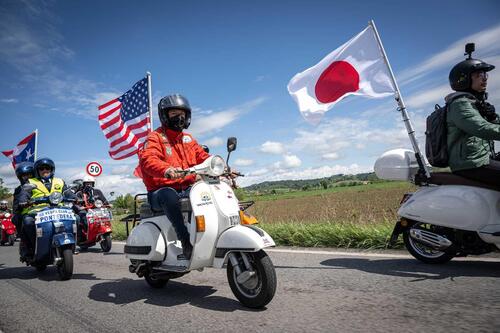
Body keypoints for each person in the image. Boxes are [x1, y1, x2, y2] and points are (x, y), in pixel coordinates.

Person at [139, 94, 210, 260]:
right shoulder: (155, 137)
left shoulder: (188, 139)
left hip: (185, 187)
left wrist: (220, 166)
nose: (179, 117)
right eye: (174, 114)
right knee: (169, 195)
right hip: (160, 191)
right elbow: (148, 159)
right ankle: (185, 241)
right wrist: (166, 170)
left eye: (182, 114)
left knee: (208, 190)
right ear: (164, 116)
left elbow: (203, 157)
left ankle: (205, 236)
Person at [446, 44, 500, 186]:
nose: (485, 78)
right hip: (470, 164)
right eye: (479, 75)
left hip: (482, 159)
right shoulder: (460, 104)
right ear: (463, 79)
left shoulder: (475, 103)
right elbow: (481, 128)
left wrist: (493, 117)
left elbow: (492, 125)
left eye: (485, 74)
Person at [18, 158, 74, 257]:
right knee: (27, 222)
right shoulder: (31, 182)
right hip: (37, 211)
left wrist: (75, 198)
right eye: (41, 168)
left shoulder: (59, 181)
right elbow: (24, 193)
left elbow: (68, 192)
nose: (45, 170)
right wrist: (23, 201)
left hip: (58, 210)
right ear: (37, 171)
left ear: (52, 169)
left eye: (47, 168)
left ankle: (71, 245)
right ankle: (32, 247)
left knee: (76, 218)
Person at [74, 175, 109, 239]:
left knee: (105, 217)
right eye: (87, 183)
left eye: (90, 183)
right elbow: (75, 203)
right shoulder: (80, 193)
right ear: (84, 184)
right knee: (84, 217)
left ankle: (98, 231)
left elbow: (104, 200)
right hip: (86, 210)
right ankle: (83, 235)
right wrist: (80, 207)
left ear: (93, 184)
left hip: (97, 210)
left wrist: (107, 204)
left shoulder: (97, 191)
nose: (89, 185)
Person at [12, 162, 34, 233]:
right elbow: (16, 205)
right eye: (24, 175)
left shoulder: (40, 185)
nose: (27, 177)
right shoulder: (19, 189)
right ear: (20, 177)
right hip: (24, 213)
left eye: (29, 175)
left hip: (42, 211)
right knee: (23, 222)